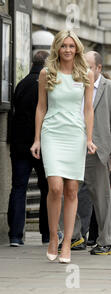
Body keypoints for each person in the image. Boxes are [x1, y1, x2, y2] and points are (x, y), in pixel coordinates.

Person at [30, 30, 97, 263]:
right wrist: (37, 139)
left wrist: (89, 138)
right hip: (52, 133)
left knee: (71, 190)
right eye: (63, 46)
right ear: (57, 48)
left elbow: (88, 109)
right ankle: (53, 238)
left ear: (76, 49)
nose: (67, 50)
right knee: (55, 187)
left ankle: (67, 242)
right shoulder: (46, 73)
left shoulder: (85, 74)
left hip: (75, 134)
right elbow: (40, 107)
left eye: (71, 46)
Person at [64, 51, 111, 256]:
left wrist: (106, 144)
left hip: (97, 149)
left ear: (99, 68)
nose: (84, 70)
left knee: (100, 196)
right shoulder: (74, 85)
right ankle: (74, 236)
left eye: (89, 66)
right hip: (72, 145)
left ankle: (105, 241)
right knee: (67, 192)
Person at [7, 51, 50, 246]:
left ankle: (15, 235)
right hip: (41, 144)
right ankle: (47, 234)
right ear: (46, 64)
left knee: (18, 188)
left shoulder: (20, 84)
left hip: (19, 145)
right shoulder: (45, 84)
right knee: (47, 189)